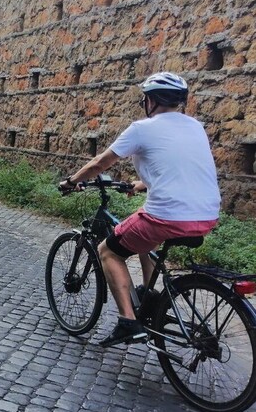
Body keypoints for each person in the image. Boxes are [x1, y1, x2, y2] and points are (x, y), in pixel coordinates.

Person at [59, 72, 220, 347]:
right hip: (205, 215)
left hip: (169, 216)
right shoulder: (195, 126)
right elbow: (176, 167)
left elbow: (100, 163)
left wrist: (72, 181)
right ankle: (151, 294)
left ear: (151, 101)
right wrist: (142, 184)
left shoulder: (142, 128)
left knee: (108, 250)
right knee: (144, 235)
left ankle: (127, 322)